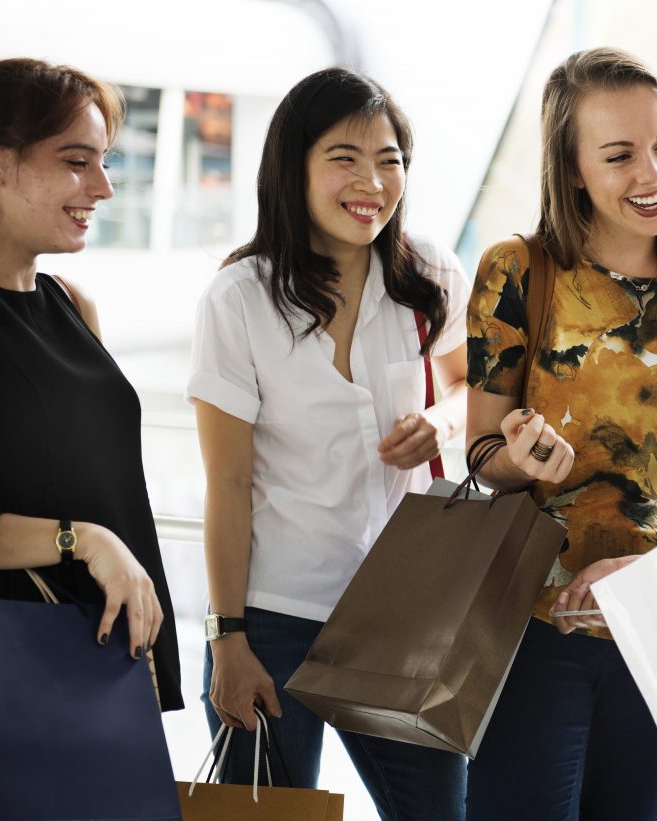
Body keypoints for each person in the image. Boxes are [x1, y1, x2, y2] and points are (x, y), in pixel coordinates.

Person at [464, 47, 657, 820]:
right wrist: (518, 461)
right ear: (572, 173)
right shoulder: (518, 272)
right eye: (620, 155)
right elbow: (482, 454)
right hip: (535, 626)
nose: (654, 172)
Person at [187, 67, 469, 819]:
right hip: (274, 614)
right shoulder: (240, 297)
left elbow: (483, 388)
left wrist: (442, 420)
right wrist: (228, 640)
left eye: (390, 159)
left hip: (400, 616)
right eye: (344, 157)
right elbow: (228, 483)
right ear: (295, 166)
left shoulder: (428, 273)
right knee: (266, 814)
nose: (371, 181)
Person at [0, 57, 182, 708]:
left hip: (103, 654)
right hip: (19, 661)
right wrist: (84, 540)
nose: (103, 187)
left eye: (104, 161)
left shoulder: (72, 304)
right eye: (77, 160)